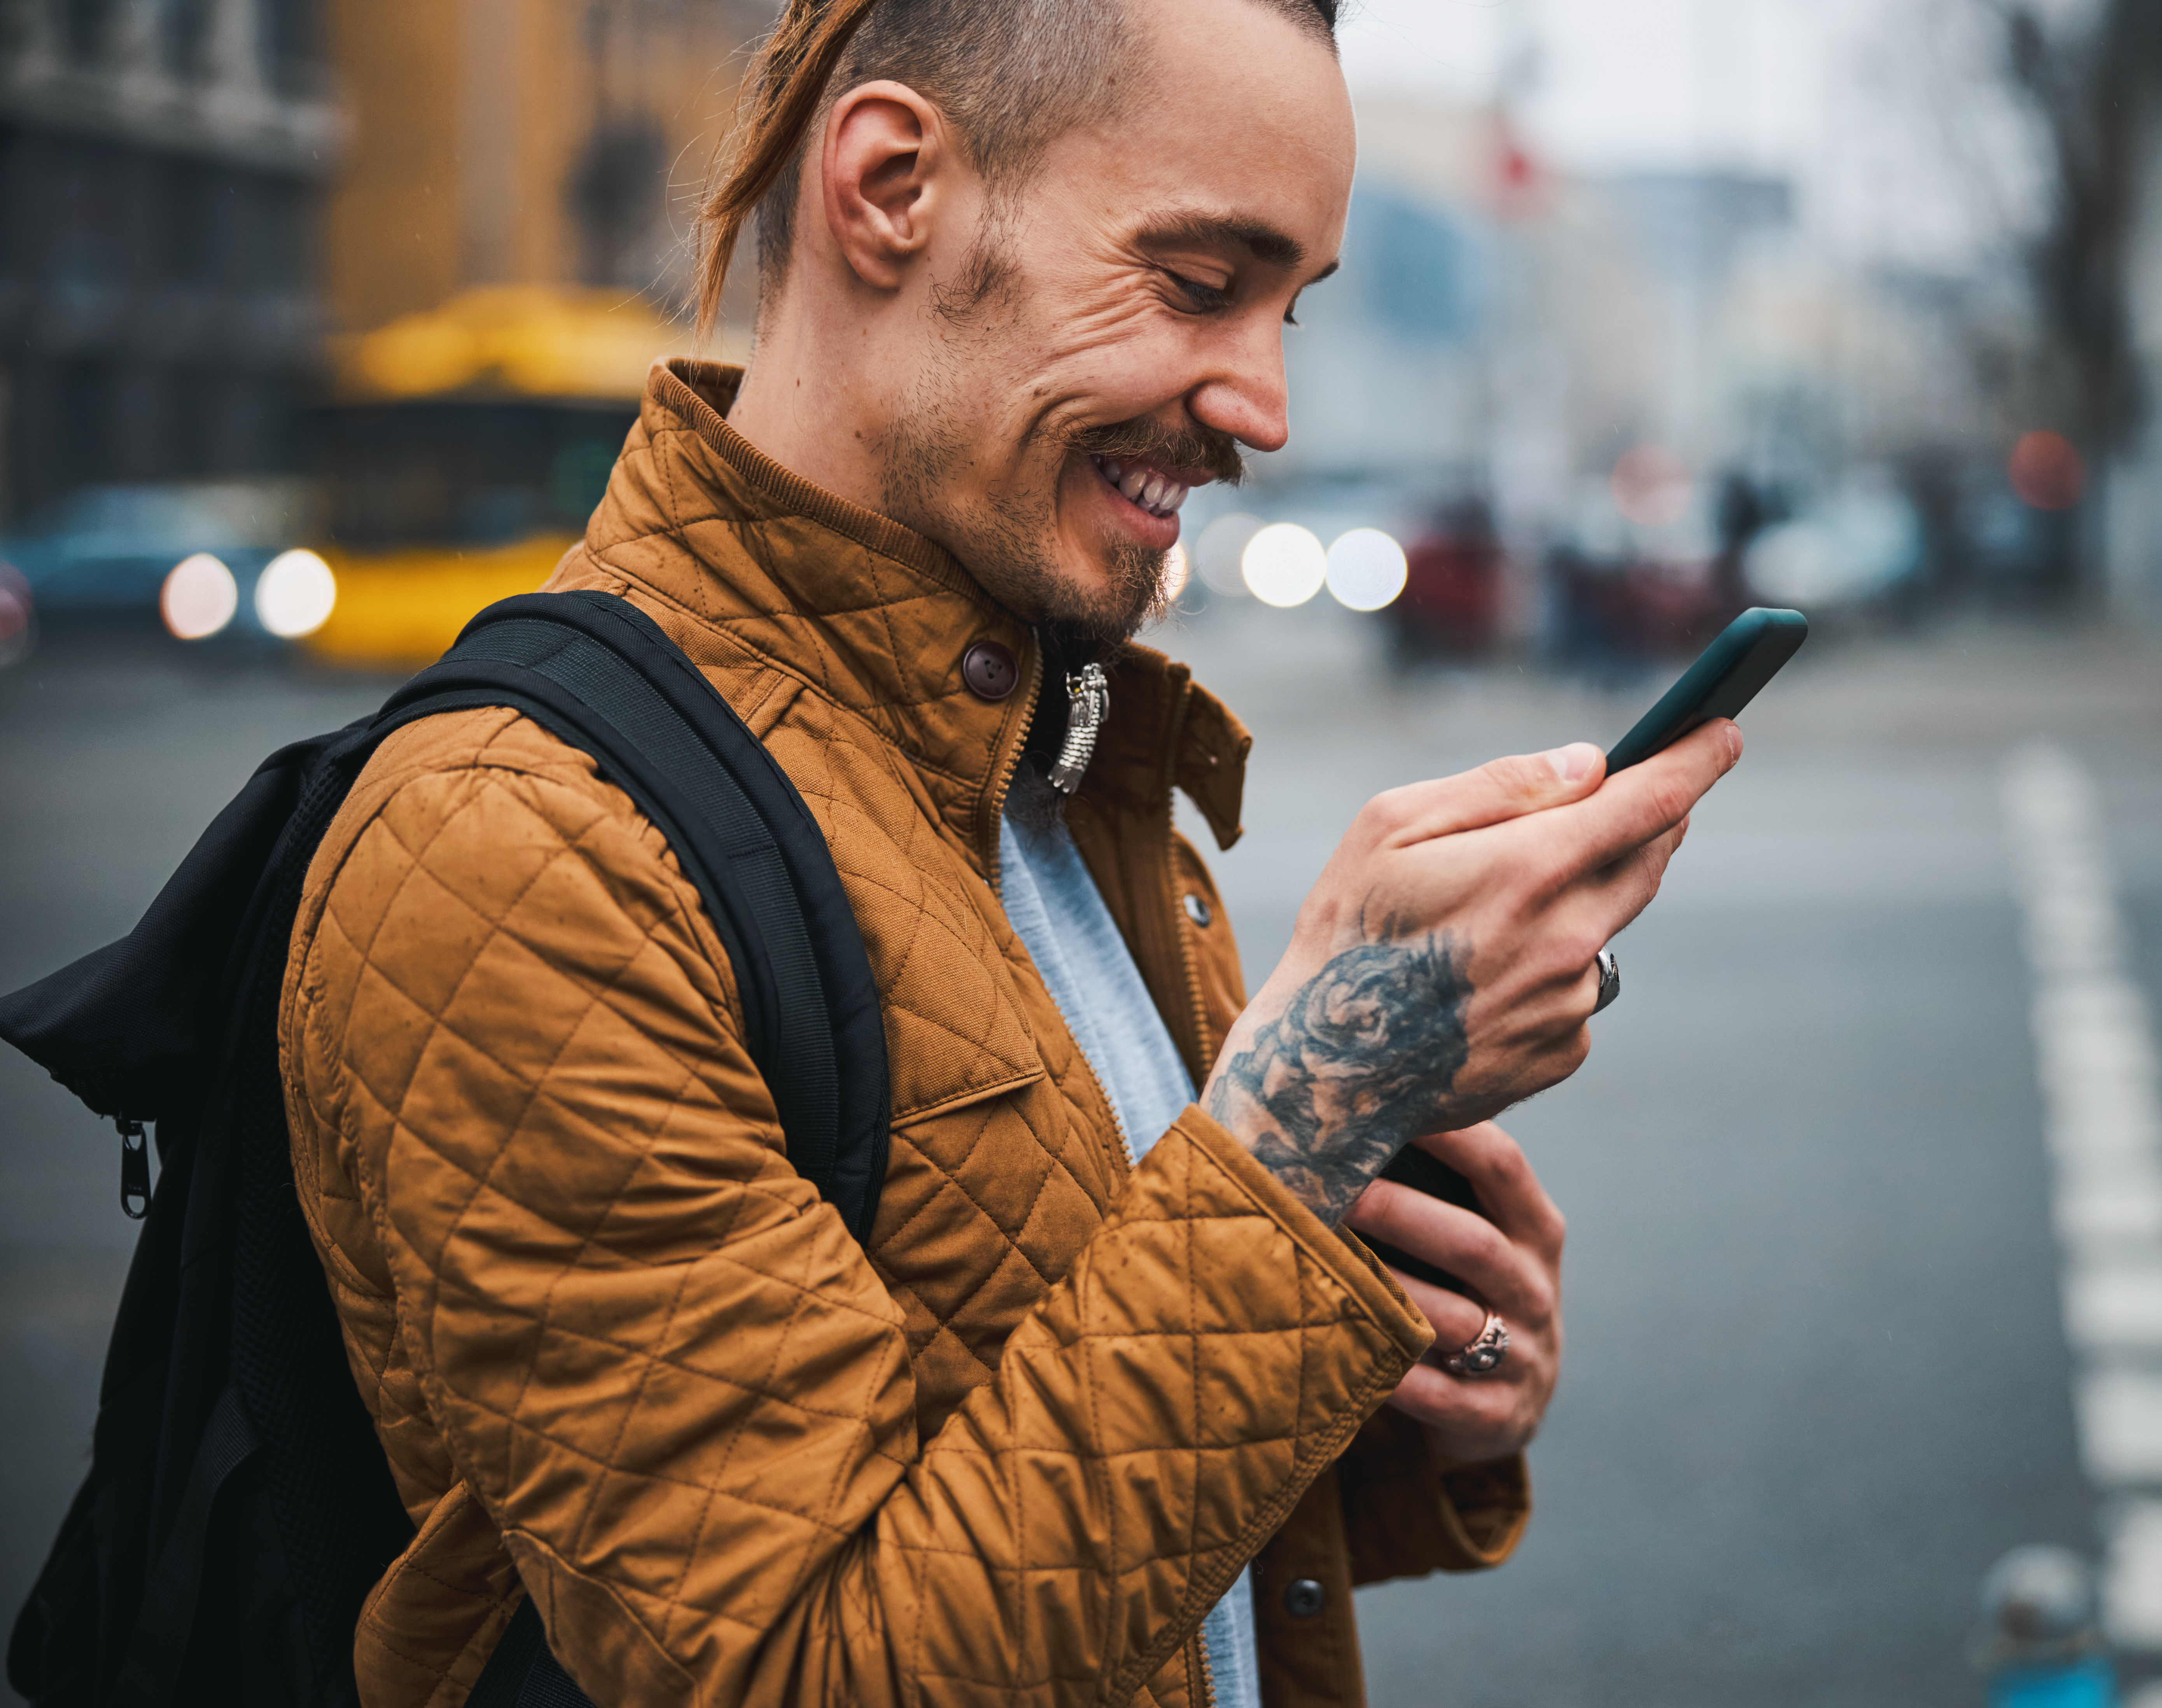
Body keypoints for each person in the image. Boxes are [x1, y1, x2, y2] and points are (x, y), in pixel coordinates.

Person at [277, 0, 1741, 1703]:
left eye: (1291, 309)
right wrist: (1308, 1110)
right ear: (891, 184)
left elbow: (1087, 1488)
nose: (1264, 404)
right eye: (1201, 283)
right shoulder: (518, 847)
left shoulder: (1053, 745)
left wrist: (1420, 1393)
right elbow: (812, 1671)